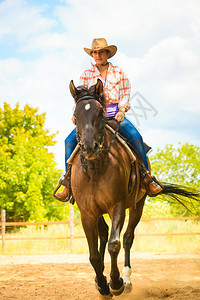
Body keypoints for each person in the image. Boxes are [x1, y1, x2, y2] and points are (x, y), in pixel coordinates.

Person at [55, 38, 162, 201]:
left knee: (136, 137)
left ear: (107, 54)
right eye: (95, 52)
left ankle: (147, 179)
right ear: (92, 54)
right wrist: (75, 114)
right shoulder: (86, 74)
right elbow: (80, 98)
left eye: (101, 52)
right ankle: (68, 184)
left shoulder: (118, 72)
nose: (98, 55)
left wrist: (122, 109)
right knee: (69, 141)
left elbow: (125, 92)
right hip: (92, 119)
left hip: (114, 115)